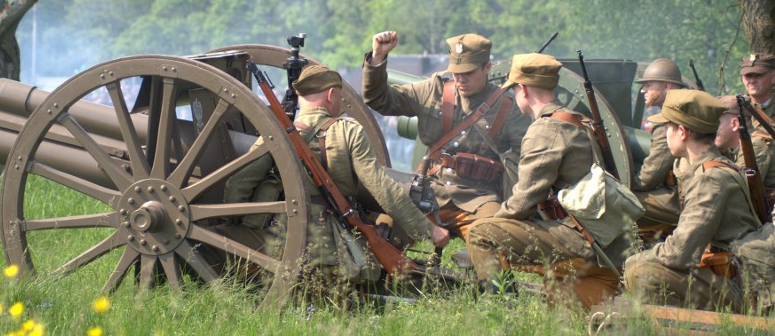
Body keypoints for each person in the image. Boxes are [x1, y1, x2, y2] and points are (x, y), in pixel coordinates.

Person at [221, 64, 449, 293]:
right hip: (336, 251)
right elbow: (383, 189)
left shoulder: (277, 133)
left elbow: (238, 183)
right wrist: (428, 230)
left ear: (300, 98)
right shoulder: (348, 131)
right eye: (339, 97)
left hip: (282, 244)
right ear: (331, 94)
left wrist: (234, 222)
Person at [466, 53, 631, 309]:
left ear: (522, 89)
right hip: (604, 240)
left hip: (580, 239)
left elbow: (525, 199)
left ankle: (501, 310)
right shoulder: (576, 120)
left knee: (480, 233)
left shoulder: (545, 129)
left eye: (514, 90)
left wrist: (494, 221)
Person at [361, 31, 531, 243]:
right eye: (456, 72)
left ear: (487, 68)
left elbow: (529, 156)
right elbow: (379, 99)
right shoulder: (434, 90)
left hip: (478, 198)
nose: (460, 79)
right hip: (427, 187)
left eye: (468, 73)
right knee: (380, 230)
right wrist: (378, 57)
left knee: (494, 237)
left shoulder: (508, 107)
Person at [624, 89, 761, 312]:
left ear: (681, 131)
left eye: (667, 127)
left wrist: (638, 258)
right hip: (730, 275)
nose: (665, 133)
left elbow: (679, 253)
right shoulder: (714, 167)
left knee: (641, 271)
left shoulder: (711, 179)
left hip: (737, 286)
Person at [630, 58, 686, 241]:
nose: (643, 90)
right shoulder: (688, 109)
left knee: (620, 201)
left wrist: (627, 183)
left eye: (648, 85)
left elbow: (648, 179)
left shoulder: (667, 121)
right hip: (692, 191)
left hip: (682, 199)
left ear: (667, 86)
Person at [714, 95, 775, 197]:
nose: (712, 130)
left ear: (734, 124)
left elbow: (738, 191)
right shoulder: (737, 147)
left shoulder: (755, 145)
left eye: (716, 124)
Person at [741, 53, 775, 126]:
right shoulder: (736, 109)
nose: (752, 81)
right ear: (743, 79)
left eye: (758, 75)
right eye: (748, 76)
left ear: (773, 77)